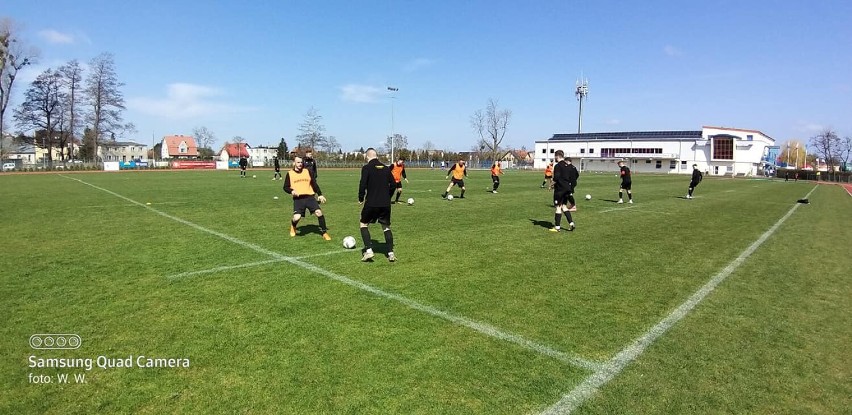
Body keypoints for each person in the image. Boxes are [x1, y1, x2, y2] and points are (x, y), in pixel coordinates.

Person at [358, 148, 397, 262]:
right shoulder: (385, 168)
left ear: (367, 157)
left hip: (372, 202)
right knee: (386, 227)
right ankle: (391, 253)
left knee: (363, 224)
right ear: (377, 156)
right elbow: (393, 185)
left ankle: (369, 251)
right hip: (385, 203)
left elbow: (362, 184)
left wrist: (361, 198)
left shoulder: (366, 168)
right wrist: (388, 197)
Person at [283, 156, 331, 240]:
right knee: (297, 217)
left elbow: (314, 183)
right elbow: (285, 187)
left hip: (310, 197)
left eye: (301, 162)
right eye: (298, 162)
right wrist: (291, 191)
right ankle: (293, 226)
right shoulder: (290, 173)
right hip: (298, 199)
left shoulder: (307, 171)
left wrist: (320, 194)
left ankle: (324, 233)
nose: (300, 164)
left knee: (319, 212)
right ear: (294, 163)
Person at [549, 150, 575, 232]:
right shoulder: (567, 165)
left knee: (558, 207)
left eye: (555, 157)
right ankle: (571, 224)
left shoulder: (557, 166)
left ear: (557, 156)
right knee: (564, 206)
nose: (555, 158)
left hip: (560, 189)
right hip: (567, 189)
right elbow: (572, 177)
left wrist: (551, 185)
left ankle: (557, 228)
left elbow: (556, 178)